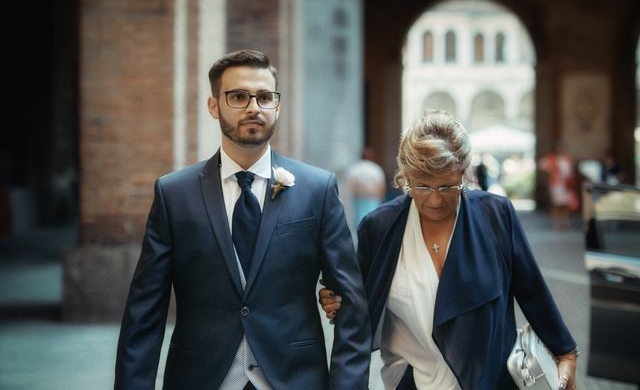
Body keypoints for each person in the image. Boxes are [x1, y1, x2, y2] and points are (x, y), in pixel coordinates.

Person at [115, 49, 371, 389]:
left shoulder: (317, 189)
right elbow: (144, 313)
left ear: (277, 107)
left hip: (295, 378)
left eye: (265, 97)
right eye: (238, 96)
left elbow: (351, 303)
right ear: (213, 106)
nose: (253, 107)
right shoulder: (174, 194)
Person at [320, 110, 578, 390]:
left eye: (447, 186)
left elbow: (532, 290)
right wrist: (339, 301)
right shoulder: (378, 227)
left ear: (465, 172)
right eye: (421, 185)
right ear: (405, 176)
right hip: (411, 380)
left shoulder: (496, 215)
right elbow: (358, 309)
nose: (434, 200)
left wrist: (564, 351)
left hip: (489, 379)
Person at [345, 147, 387, 242]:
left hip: (359, 200)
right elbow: (381, 186)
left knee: (359, 224)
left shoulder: (355, 169)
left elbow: (350, 186)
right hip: (372, 199)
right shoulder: (375, 169)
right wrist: (382, 200)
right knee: (373, 223)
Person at [538, 142, 578, 230]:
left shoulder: (568, 160)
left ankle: (566, 223)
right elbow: (541, 165)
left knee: (565, 205)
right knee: (556, 205)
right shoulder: (553, 159)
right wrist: (550, 171)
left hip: (566, 185)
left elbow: (571, 171)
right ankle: (556, 223)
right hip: (556, 185)